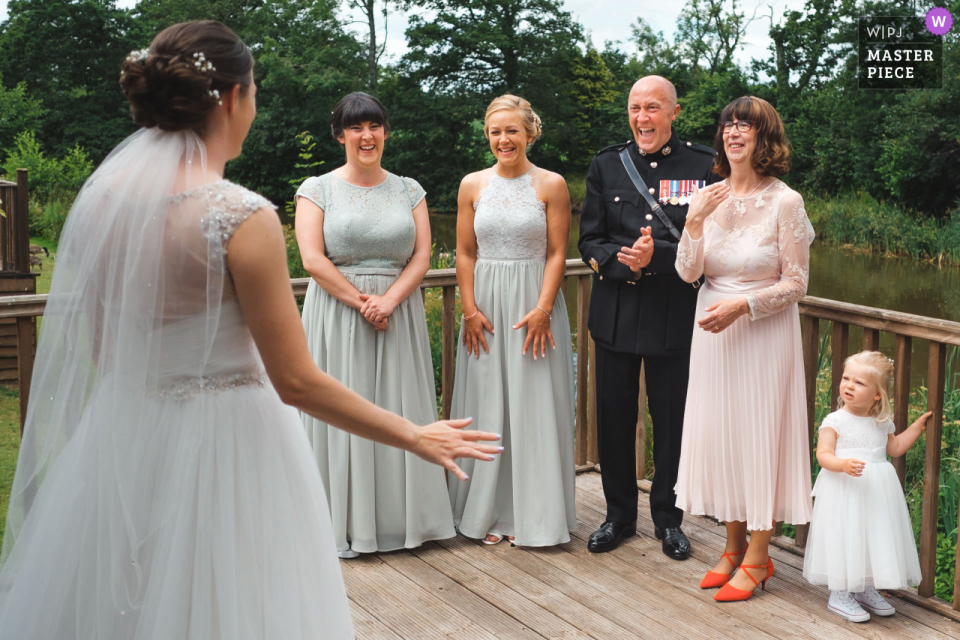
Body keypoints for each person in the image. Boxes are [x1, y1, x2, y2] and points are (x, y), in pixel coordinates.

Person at [0, 21, 500, 639]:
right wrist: (415, 435)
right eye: (255, 91)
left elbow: (103, 348)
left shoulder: (103, 203)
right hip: (231, 445)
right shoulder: (241, 216)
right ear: (232, 98)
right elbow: (296, 381)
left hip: (126, 431)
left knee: (129, 598)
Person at [294, 92, 456, 558]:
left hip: (397, 310)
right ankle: (339, 522)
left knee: (396, 407)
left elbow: (422, 255)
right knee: (342, 411)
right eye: (356, 128)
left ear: (385, 131)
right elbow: (311, 258)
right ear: (341, 135)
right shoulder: (317, 189)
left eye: (375, 126)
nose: (367, 136)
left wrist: (388, 301)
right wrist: (364, 303)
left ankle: (402, 522)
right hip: (337, 314)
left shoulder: (409, 189)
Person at [673, 95, 814, 602]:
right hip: (712, 336)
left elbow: (797, 283)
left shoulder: (785, 202)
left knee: (758, 437)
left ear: (764, 137)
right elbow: (687, 272)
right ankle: (731, 547)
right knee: (723, 436)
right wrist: (692, 221)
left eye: (746, 126)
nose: (734, 132)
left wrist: (742, 307)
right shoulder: (708, 197)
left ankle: (759, 554)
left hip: (761, 334)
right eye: (728, 124)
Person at [578, 75, 720, 559]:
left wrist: (655, 257)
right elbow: (590, 240)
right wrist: (624, 262)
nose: (643, 118)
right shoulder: (606, 164)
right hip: (616, 312)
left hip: (673, 314)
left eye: (654, 108)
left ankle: (668, 519)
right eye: (636, 108)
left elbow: (711, 244)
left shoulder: (705, 167)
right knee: (614, 419)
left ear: (674, 113)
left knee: (672, 421)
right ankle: (617, 516)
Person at [448, 94, 576, 547]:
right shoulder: (471, 185)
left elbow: (558, 253)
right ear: (488, 136)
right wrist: (469, 309)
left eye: (512, 131)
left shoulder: (551, 184)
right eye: (496, 132)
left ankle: (536, 515)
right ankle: (486, 512)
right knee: (487, 402)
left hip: (533, 304)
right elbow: (465, 253)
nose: (504, 140)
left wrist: (543, 308)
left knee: (533, 402)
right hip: (485, 306)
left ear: (529, 133)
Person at [803, 351, 927, 622]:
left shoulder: (881, 422)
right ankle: (840, 593)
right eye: (846, 378)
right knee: (846, 535)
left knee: (873, 535)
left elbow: (894, 448)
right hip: (845, 489)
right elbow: (823, 454)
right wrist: (842, 464)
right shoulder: (835, 421)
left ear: (877, 394)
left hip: (876, 492)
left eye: (859, 383)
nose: (848, 385)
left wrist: (916, 428)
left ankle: (865, 587)